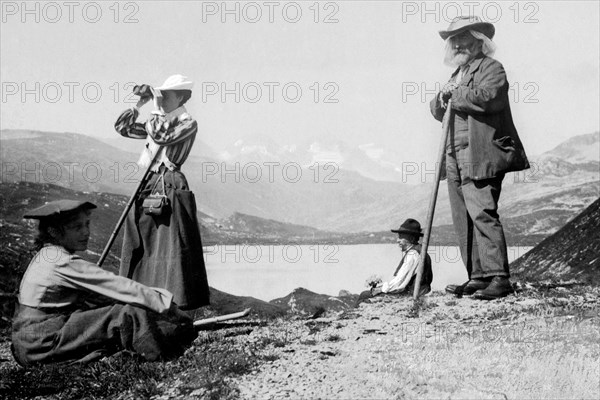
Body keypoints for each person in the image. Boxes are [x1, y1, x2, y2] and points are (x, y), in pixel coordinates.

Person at [11, 200, 197, 366]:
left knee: (113, 311)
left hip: (28, 343)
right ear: (53, 232)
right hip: (41, 342)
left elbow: (101, 296)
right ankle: (161, 357)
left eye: (87, 224)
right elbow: (118, 286)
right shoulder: (60, 261)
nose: (86, 232)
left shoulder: (47, 255)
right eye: (77, 227)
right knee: (126, 313)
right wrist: (167, 306)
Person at [429, 16, 529, 300]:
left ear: (478, 40)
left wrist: (455, 94)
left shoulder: (492, 68)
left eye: (463, 38)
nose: (458, 44)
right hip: (454, 155)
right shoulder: (457, 74)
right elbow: (438, 111)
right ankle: (477, 276)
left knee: (483, 212)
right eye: (454, 40)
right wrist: (441, 98)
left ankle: (499, 277)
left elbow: (490, 97)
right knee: (463, 216)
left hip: (480, 152)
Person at [115, 74, 210, 310]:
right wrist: (140, 104)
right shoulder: (158, 121)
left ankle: (177, 303)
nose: (163, 99)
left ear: (181, 97)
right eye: (162, 94)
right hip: (150, 181)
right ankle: (141, 298)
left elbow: (161, 136)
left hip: (171, 184)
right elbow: (123, 127)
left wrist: (156, 109)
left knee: (172, 245)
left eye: (167, 95)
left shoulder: (187, 122)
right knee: (143, 241)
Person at [356, 219, 433, 306]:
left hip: (412, 294)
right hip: (419, 291)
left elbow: (400, 282)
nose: (397, 240)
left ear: (411, 238)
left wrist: (380, 289)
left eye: (401, 237)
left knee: (364, 295)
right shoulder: (419, 250)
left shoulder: (413, 255)